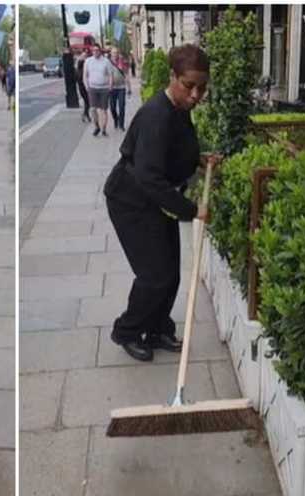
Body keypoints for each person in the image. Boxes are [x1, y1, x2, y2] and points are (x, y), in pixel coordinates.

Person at [102, 44, 217, 362]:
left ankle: (156, 329)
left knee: (171, 273)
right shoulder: (157, 115)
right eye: (189, 85)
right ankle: (126, 331)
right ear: (173, 77)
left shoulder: (179, 110)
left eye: (202, 88)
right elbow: (150, 177)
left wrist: (198, 160)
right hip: (131, 200)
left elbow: (174, 151)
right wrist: (193, 211)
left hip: (156, 200)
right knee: (155, 275)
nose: (196, 95)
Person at [84, 44, 114, 136]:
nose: (95, 52)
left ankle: (104, 129)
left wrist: (110, 85)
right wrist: (86, 85)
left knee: (103, 110)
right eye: (93, 50)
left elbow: (110, 74)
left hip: (104, 88)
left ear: (100, 51)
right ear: (92, 51)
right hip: (92, 88)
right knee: (93, 109)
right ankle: (97, 126)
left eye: (97, 50)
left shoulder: (106, 61)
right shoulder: (88, 61)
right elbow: (85, 75)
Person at [109, 48, 130, 130]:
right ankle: (116, 119)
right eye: (113, 52)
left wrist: (129, 87)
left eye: (116, 52)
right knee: (112, 107)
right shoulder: (108, 63)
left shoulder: (122, 62)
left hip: (121, 87)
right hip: (112, 88)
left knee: (121, 106)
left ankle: (121, 124)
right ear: (111, 53)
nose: (115, 54)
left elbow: (126, 75)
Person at [75, 51, 90, 123]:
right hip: (84, 87)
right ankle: (85, 114)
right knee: (88, 102)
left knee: (87, 102)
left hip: (81, 88)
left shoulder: (78, 70)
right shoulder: (83, 70)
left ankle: (86, 115)